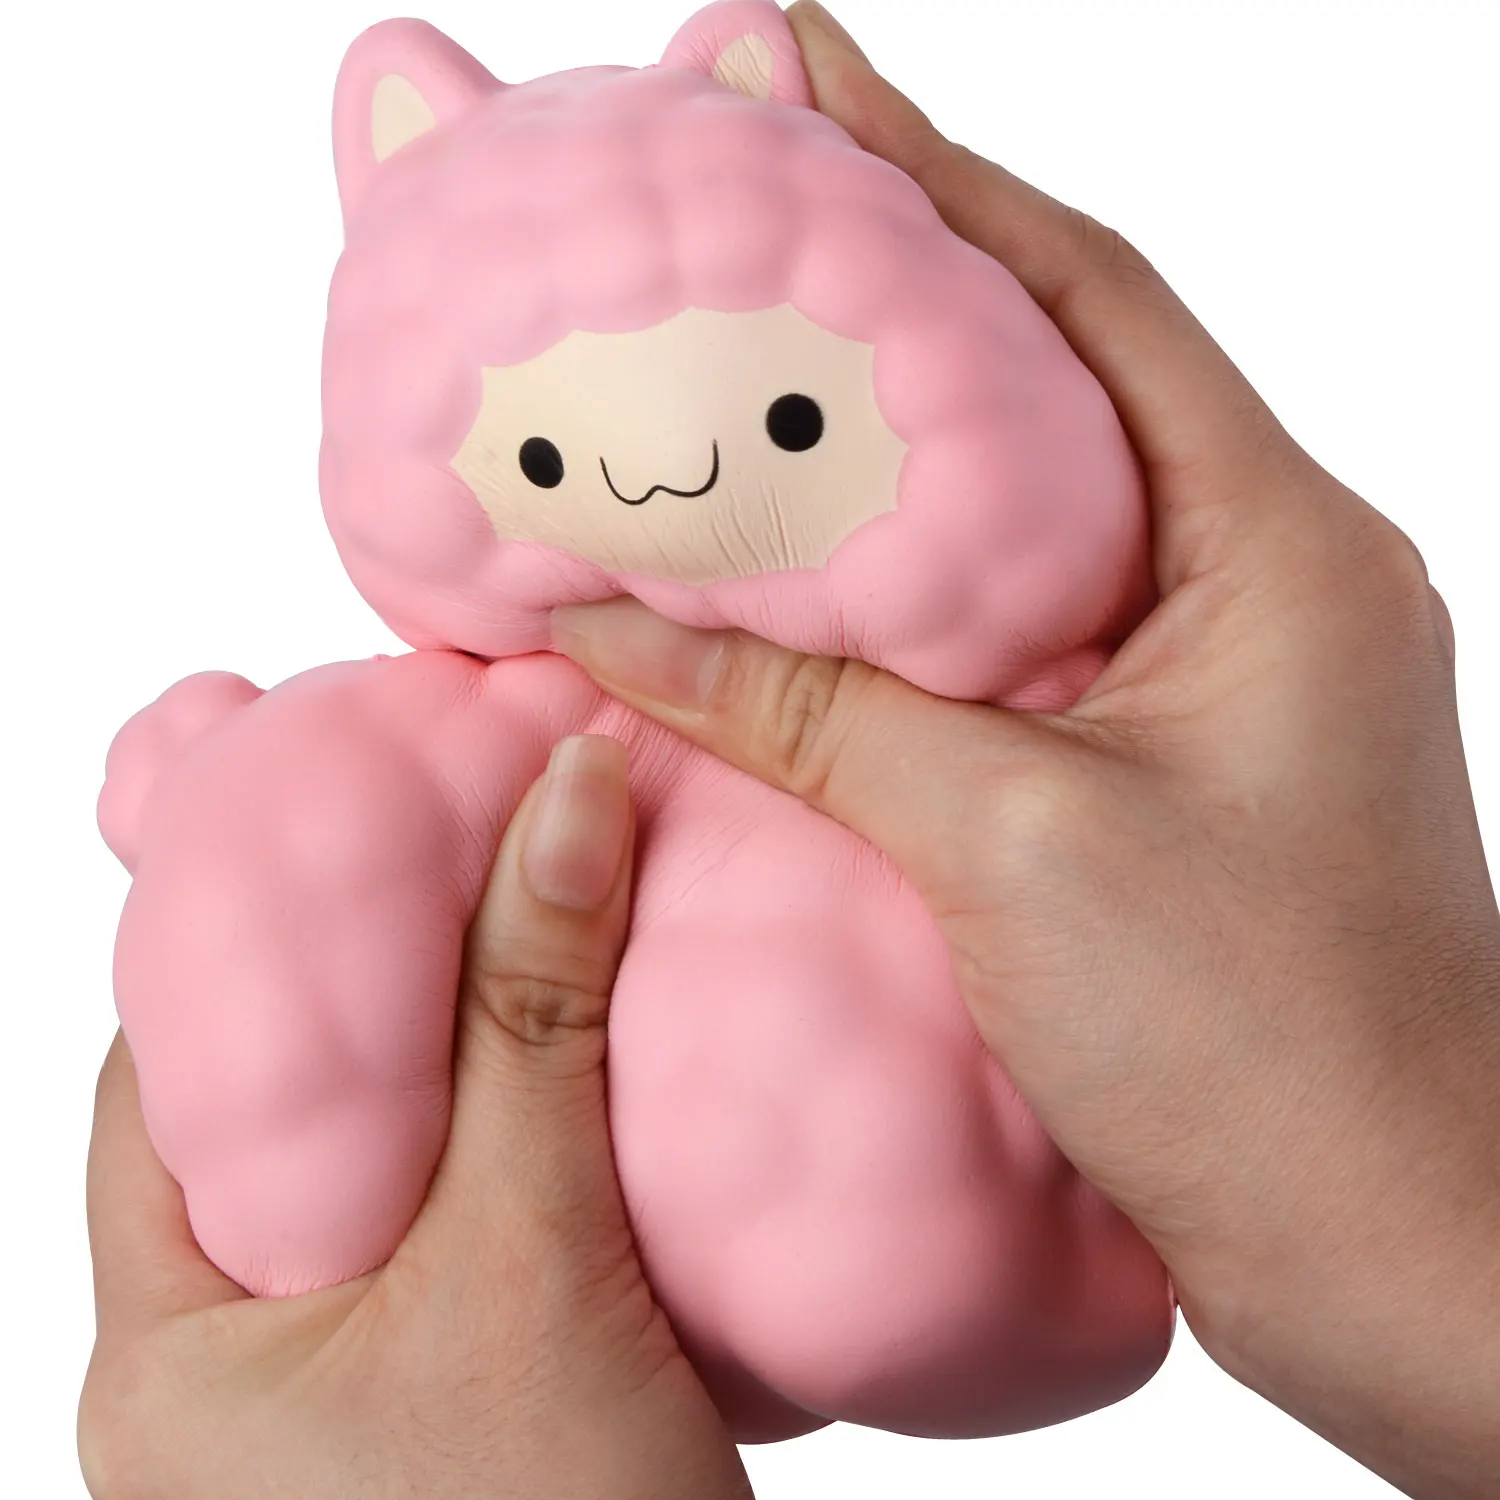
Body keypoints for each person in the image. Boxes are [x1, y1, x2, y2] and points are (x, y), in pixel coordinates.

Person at [77, 4, 1500, 1496]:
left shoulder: (1018, 748)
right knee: (304, 808)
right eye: (543, 461)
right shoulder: (494, 695)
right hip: (564, 1216)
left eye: (796, 421)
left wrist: (1409, 1222)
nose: (668, 476)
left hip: (924, 1219)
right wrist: (245, 800)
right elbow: (365, 799)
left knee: (883, 1237)